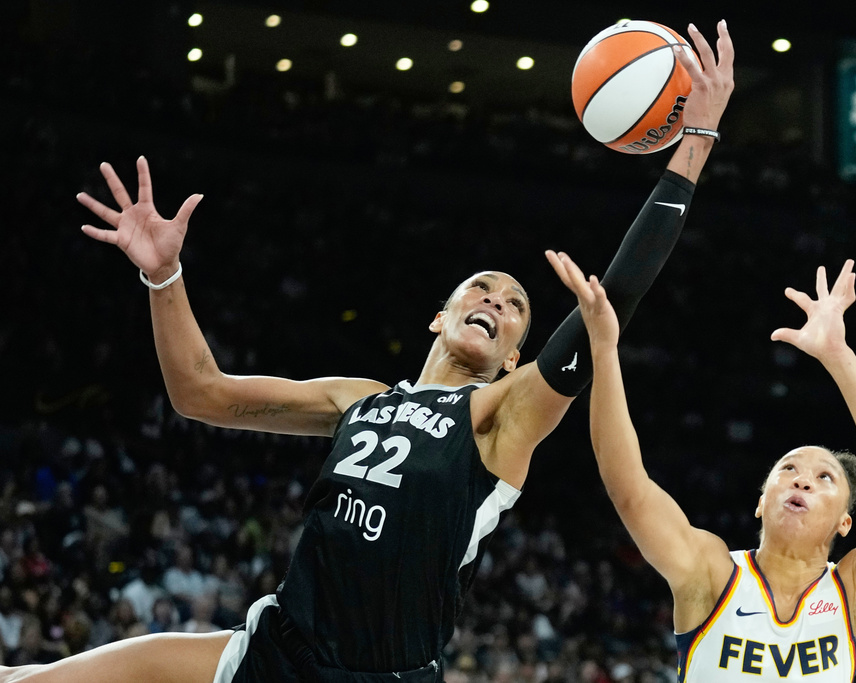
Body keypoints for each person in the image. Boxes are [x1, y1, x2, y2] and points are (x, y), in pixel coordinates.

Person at [0, 20, 735, 683]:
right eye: (481, 289)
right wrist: (163, 273)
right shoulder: (357, 397)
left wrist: (695, 140)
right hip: (278, 651)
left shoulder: (501, 414)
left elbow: (619, 293)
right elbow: (201, 393)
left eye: (516, 308)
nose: (496, 303)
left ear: (516, 356)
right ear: (437, 318)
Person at [547, 253, 856, 681]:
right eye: (788, 469)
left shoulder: (855, 592)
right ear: (761, 503)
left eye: (824, 478)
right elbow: (629, 488)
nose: (802, 478)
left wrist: (838, 355)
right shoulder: (711, 573)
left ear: (844, 523)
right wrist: (603, 347)